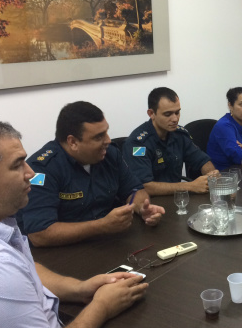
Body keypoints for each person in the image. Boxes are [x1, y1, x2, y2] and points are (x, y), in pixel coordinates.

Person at [0, 120, 148, 328]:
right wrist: (102, 306)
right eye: (17, 164)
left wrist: (80, 288)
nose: (30, 172)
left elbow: (25, 269)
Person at [17, 101, 165, 247]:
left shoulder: (110, 155)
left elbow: (134, 190)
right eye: (98, 137)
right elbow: (40, 234)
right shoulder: (42, 169)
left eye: (106, 132)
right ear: (73, 142)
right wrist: (101, 225)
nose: (108, 140)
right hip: (60, 255)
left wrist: (140, 207)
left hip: (108, 244)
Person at [123, 87, 217, 196]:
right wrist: (190, 186)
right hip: (151, 204)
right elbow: (145, 186)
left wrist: (211, 175)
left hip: (178, 199)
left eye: (177, 113)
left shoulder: (180, 135)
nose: (175, 119)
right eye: (168, 114)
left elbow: (202, 161)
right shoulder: (138, 144)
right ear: (151, 113)